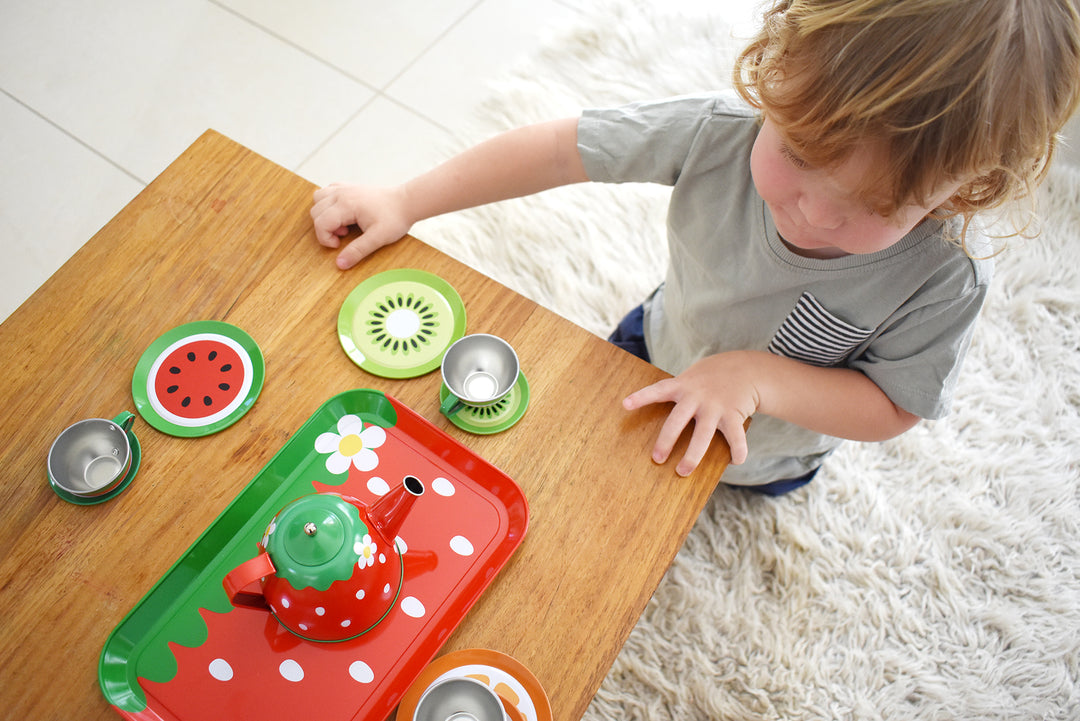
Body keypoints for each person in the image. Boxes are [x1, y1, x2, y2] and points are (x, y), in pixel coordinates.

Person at [310, 0, 1080, 495]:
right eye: (801, 158)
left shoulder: (943, 278)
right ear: (776, 77)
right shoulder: (719, 133)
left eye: (871, 208)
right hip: (650, 344)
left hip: (766, 453)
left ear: (958, 194)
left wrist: (754, 378)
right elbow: (556, 149)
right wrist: (407, 200)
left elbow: (895, 406)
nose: (810, 212)